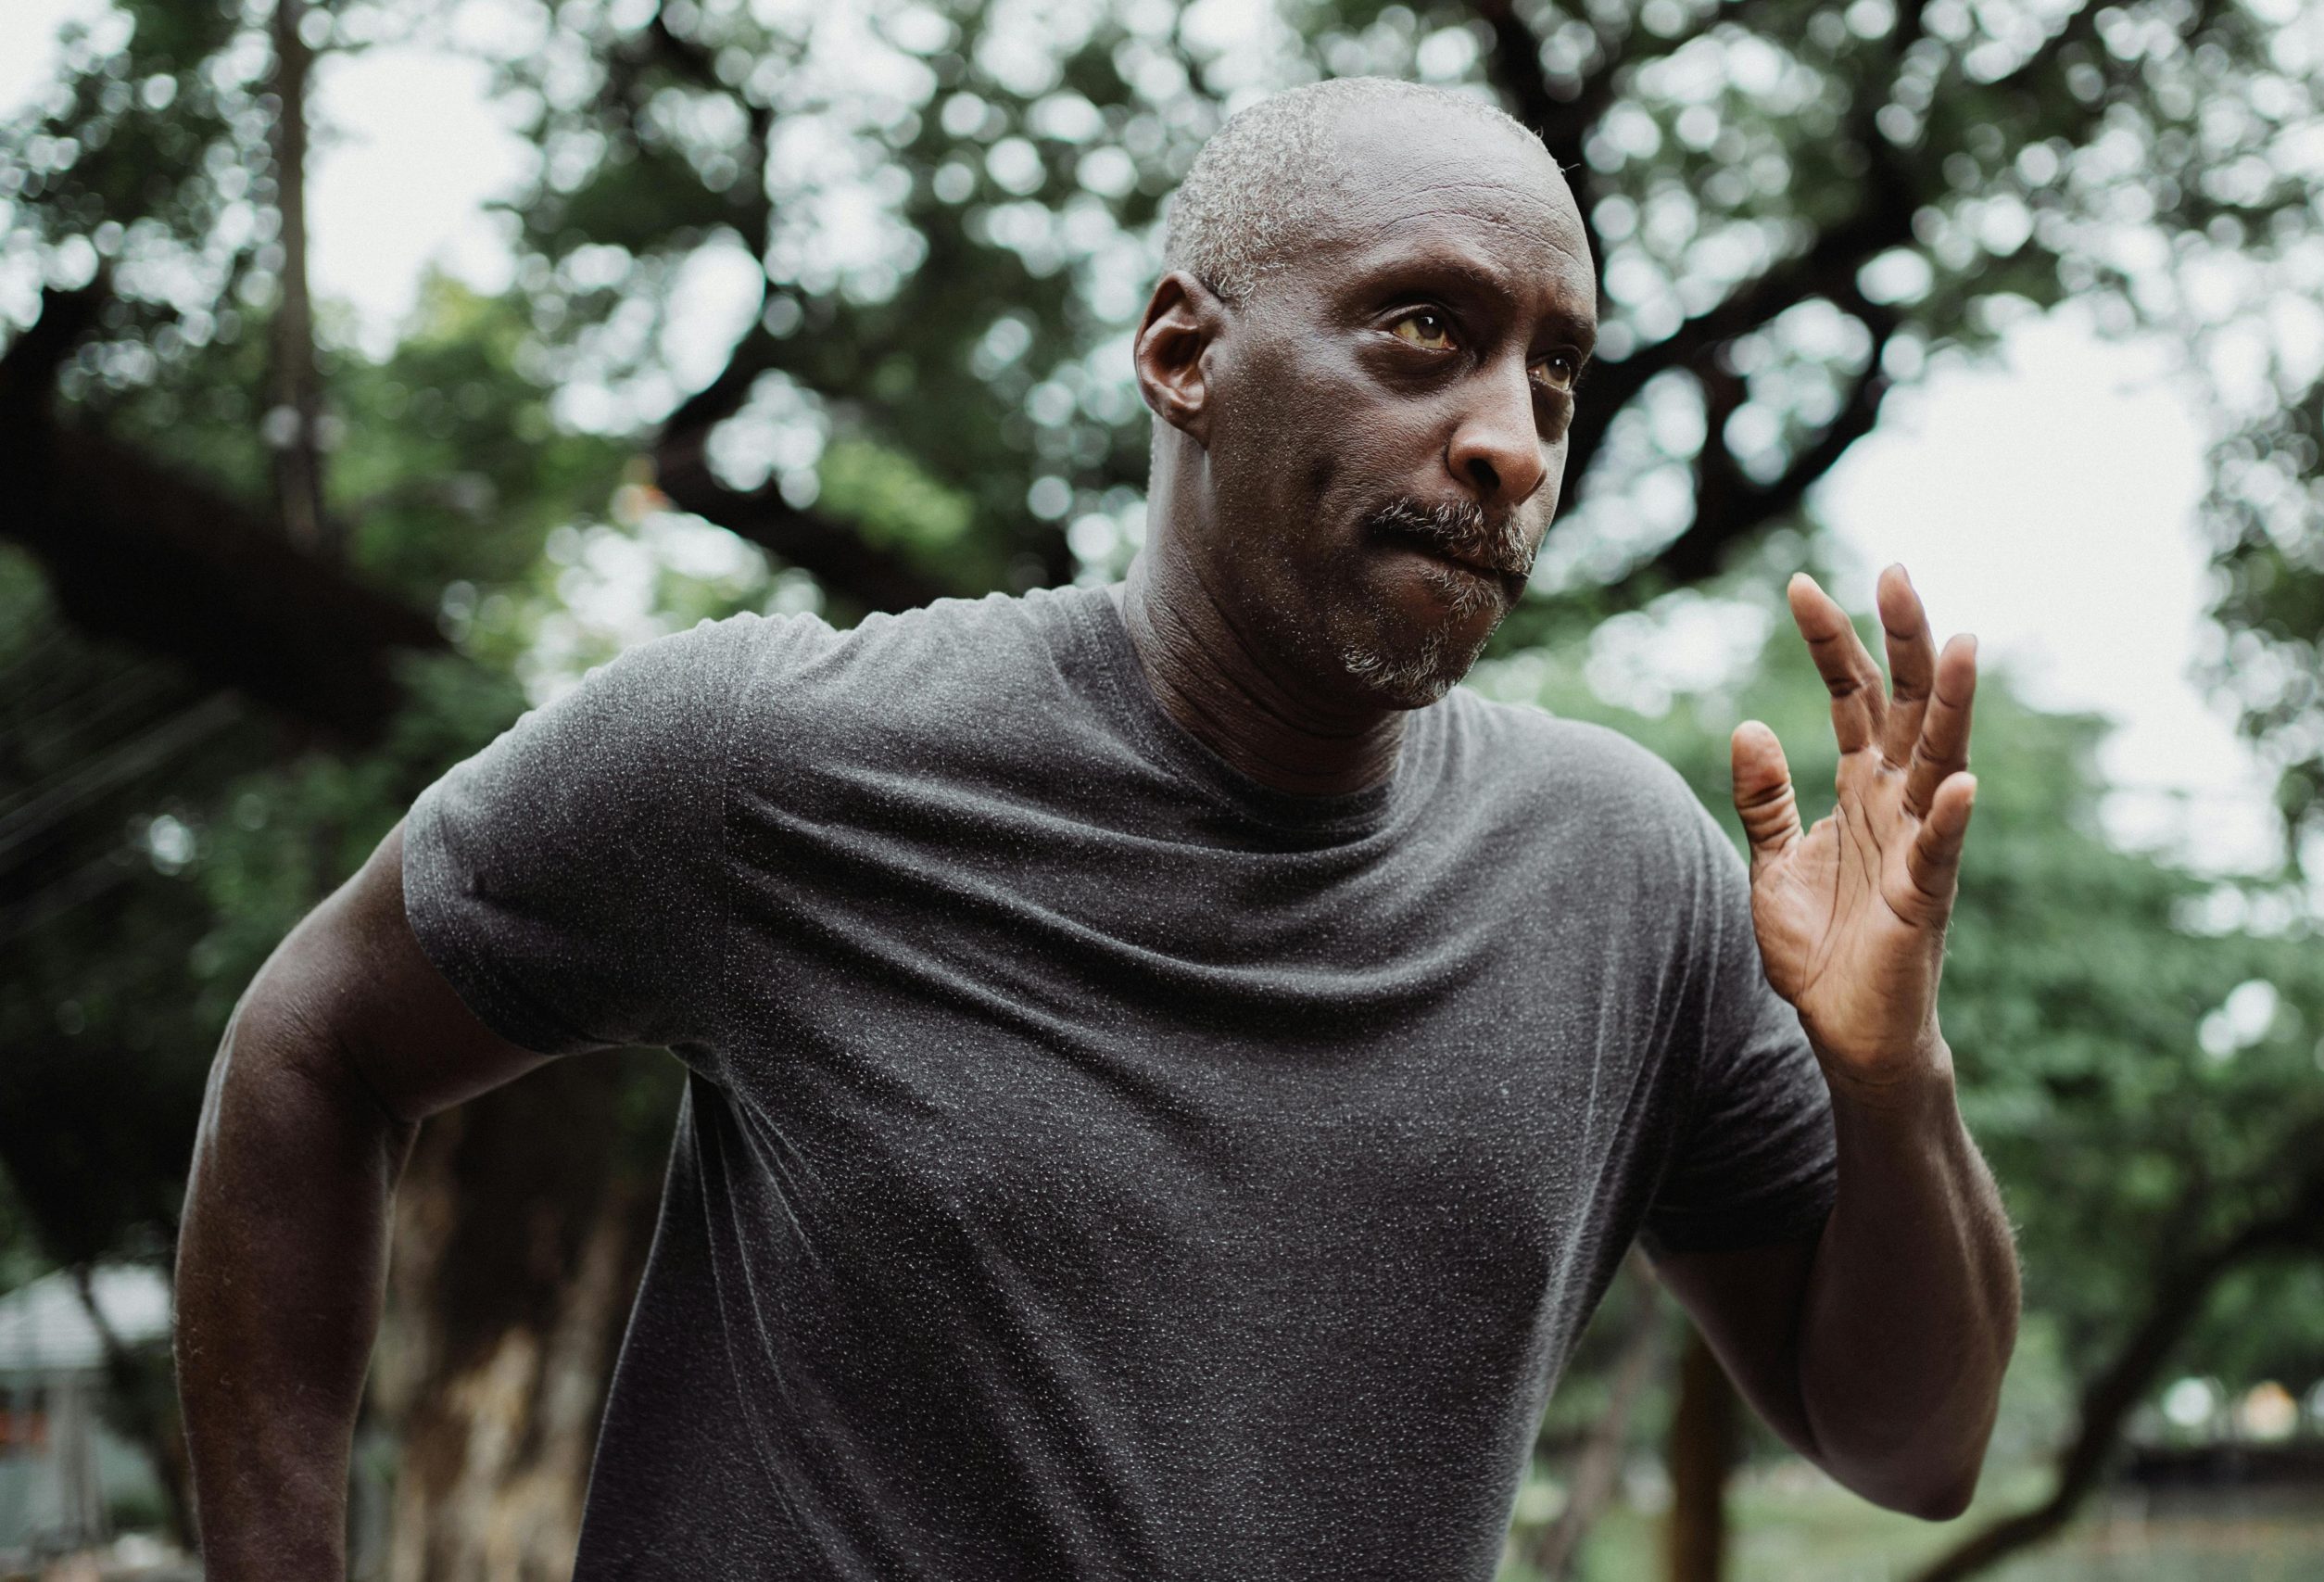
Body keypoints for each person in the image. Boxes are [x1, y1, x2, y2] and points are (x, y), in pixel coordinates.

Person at [175, 76, 2017, 1580]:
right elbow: (314, 1044)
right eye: (1422, 330)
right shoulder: (767, 760)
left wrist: (1893, 1081)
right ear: (1182, 353)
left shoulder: (1622, 878)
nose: (1513, 446)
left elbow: (1910, 1447)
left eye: (1552, 373)